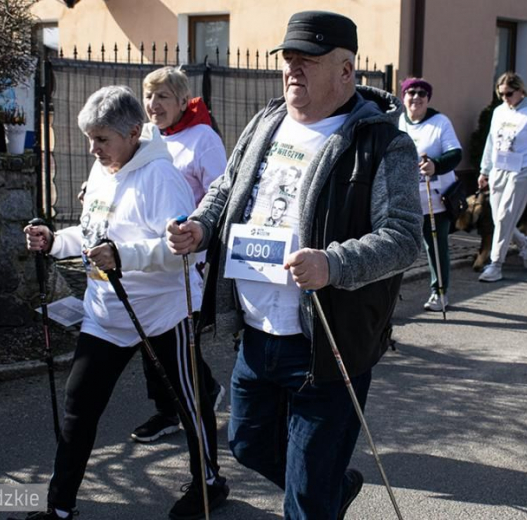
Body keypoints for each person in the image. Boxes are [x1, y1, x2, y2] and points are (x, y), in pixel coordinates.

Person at [165, 10, 421, 519]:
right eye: (288, 58)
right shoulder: (266, 122)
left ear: (345, 71)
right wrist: (201, 227)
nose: (292, 69)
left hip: (327, 344)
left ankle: (318, 495)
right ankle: (330, 490)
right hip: (256, 334)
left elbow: (403, 237)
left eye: (309, 59)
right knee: (247, 444)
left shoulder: (383, 143)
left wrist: (333, 263)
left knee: (304, 502)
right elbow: (226, 189)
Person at [17, 86, 227, 520]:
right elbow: (92, 234)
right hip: (106, 314)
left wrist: (123, 255)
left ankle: (209, 484)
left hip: (162, 314)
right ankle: (59, 508)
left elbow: (181, 251)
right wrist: (55, 241)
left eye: (101, 139)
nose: (93, 149)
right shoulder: (103, 170)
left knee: (190, 404)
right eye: (90, 138)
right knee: (78, 407)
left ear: (133, 133)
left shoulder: (161, 177)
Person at [131, 66, 227, 444]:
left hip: (188, 256)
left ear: (183, 101)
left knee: (174, 337)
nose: (153, 104)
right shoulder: (147, 137)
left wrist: (196, 233)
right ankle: (171, 406)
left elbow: (220, 194)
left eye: (163, 97)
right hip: (148, 255)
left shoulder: (203, 138)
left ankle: (192, 401)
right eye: (149, 96)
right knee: (150, 334)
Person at [478, 72, 527, 283]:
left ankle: (495, 265)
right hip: (499, 168)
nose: (505, 98)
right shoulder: (499, 112)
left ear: (520, 91)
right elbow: (490, 142)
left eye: (509, 94)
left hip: (523, 169)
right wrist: (484, 171)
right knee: (499, 219)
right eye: (501, 94)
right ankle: (524, 243)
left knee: (505, 216)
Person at [398, 77, 462, 311]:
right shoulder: (397, 122)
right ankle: (391, 293)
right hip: (403, 198)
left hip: (434, 198)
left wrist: (436, 165)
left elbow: (455, 153)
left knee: (435, 245)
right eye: (411, 92)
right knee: (397, 245)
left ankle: (440, 292)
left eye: (422, 93)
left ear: (428, 99)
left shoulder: (440, 122)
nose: (416, 97)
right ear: (403, 96)